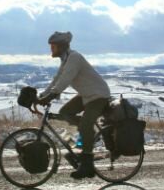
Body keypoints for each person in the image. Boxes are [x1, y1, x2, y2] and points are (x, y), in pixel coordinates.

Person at [37, 31, 111, 179]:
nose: (51, 49)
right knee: (65, 112)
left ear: (62, 46)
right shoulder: (66, 60)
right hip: (86, 95)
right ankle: (88, 132)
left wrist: (52, 95)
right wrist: (42, 96)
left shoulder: (74, 58)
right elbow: (56, 80)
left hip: (98, 95)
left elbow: (64, 80)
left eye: (53, 46)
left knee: (84, 125)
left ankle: (87, 165)